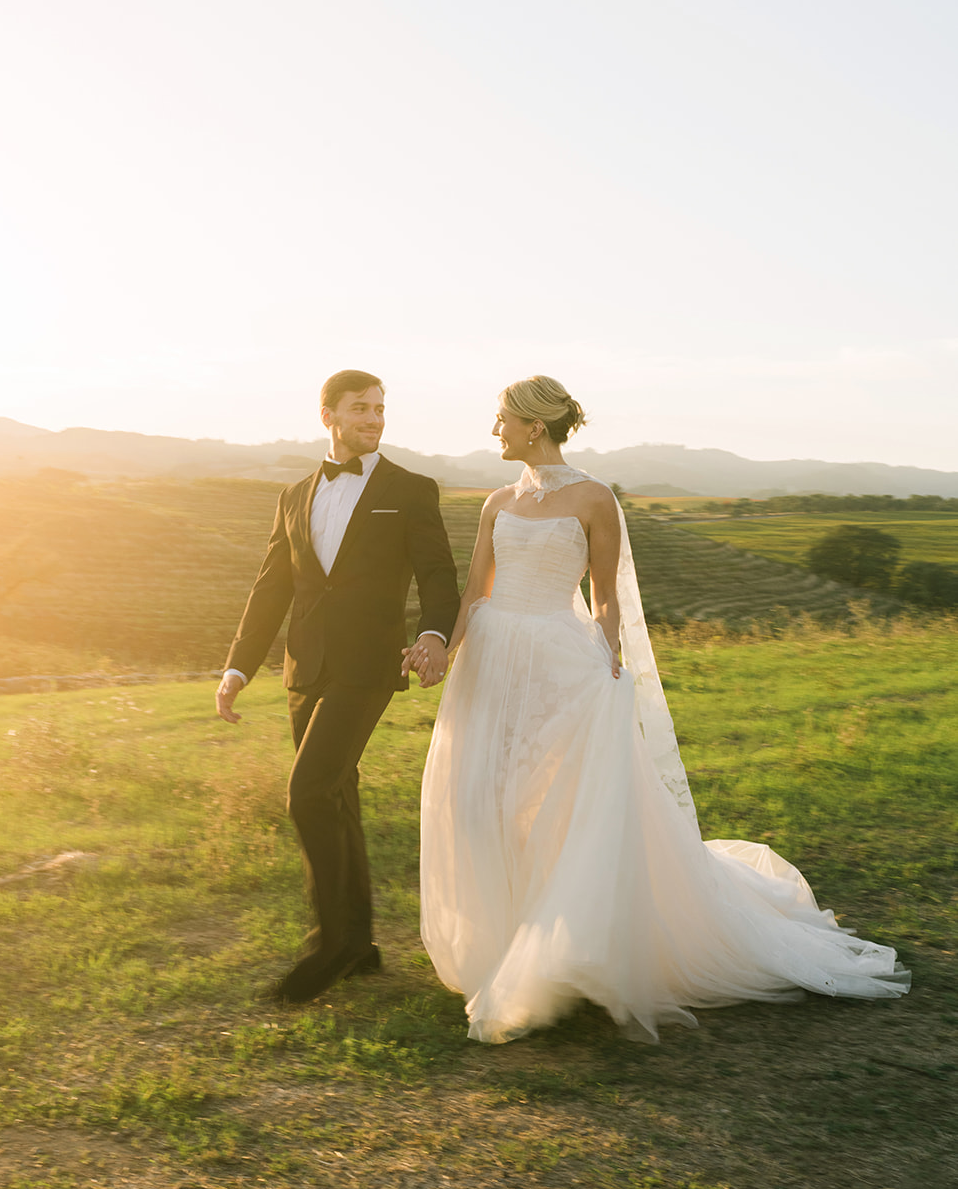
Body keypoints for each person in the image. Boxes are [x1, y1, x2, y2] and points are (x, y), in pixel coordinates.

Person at [410, 375, 910, 1044]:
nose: (493, 429)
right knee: (484, 801)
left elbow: (609, 593)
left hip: (561, 662)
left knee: (553, 805)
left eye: (501, 418)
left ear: (534, 425)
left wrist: (608, 654)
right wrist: (442, 648)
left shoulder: (592, 498)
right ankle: (506, 943)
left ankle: (558, 958)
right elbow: (475, 590)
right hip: (493, 663)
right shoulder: (496, 500)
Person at [217, 371, 460, 1004]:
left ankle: (331, 944)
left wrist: (435, 635)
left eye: (380, 409)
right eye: (360, 409)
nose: (374, 419)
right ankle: (361, 944)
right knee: (337, 796)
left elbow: (438, 573)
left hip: (367, 665)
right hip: (307, 665)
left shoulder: (410, 490)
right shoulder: (294, 494)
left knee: (307, 791)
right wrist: (238, 667)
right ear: (328, 414)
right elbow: (272, 586)